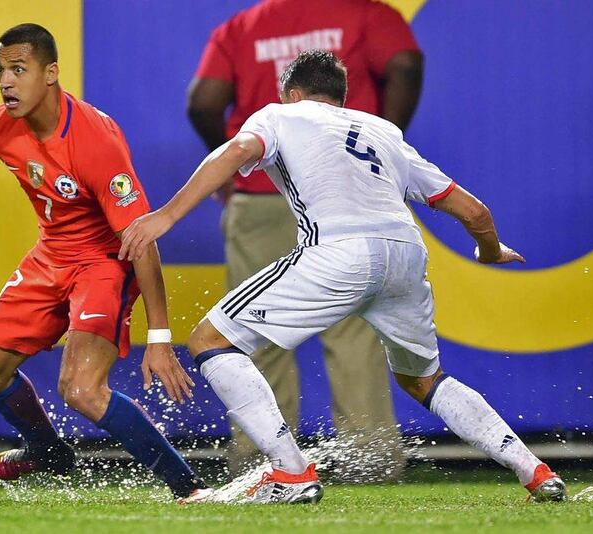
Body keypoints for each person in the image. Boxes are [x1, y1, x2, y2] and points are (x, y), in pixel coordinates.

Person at [120, 50, 566, 504]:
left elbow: (237, 151)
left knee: (210, 341)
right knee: (423, 380)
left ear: (293, 94)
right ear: (340, 96)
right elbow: (474, 211)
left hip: (337, 250)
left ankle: (291, 474)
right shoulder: (383, 131)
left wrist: (166, 216)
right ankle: (536, 472)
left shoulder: (280, 114)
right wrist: (489, 251)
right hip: (405, 254)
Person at [0, 23, 210, 501]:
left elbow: (141, 238)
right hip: (51, 255)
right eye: (0, 70)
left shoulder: (95, 139)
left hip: (104, 261)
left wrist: (161, 337)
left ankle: (189, 487)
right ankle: (48, 452)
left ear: (51, 74)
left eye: (18, 70)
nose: (5, 81)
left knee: (81, 390)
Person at [187, 0, 423, 477]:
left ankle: (262, 463)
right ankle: (372, 461)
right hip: (344, 198)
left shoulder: (243, 26)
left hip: (263, 197)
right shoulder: (365, 14)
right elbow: (405, 63)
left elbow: (204, 102)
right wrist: (389, 139)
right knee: (354, 331)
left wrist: (236, 169)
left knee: (253, 332)